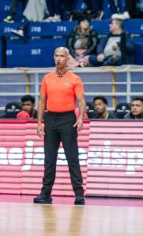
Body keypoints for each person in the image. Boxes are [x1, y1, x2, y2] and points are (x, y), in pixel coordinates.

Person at [34, 47, 86, 206]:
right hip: (50, 119)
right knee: (49, 159)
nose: (58, 59)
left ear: (67, 58)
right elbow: (42, 101)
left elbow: (81, 101)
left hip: (67, 119)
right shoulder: (47, 78)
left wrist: (81, 118)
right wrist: (39, 122)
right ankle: (45, 193)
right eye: (56, 55)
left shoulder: (74, 78)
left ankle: (79, 194)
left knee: (72, 158)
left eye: (62, 56)